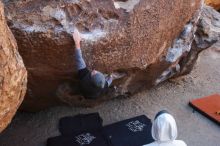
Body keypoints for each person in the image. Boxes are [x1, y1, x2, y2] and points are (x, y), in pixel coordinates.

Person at [73, 28, 114, 99]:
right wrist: (111, 77)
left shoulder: (83, 77)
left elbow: (79, 59)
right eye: (98, 72)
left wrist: (77, 42)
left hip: (84, 91)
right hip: (93, 95)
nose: (94, 70)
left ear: (90, 79)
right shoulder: (103, 86)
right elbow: (108, 82)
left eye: (94, 73)